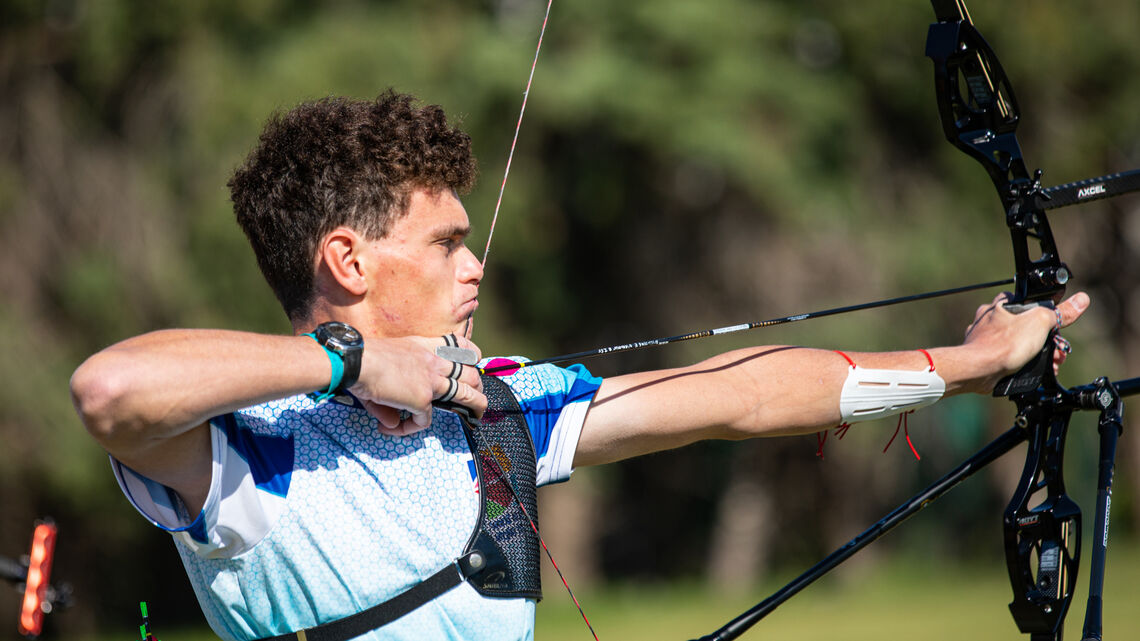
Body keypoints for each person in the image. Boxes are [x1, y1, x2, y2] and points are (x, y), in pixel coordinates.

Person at [69, 90, 1088, 641]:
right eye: (443, 243)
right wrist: (350, 366)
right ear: (347, 259)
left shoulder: (492, 409)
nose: (475, 267)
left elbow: (735, 394)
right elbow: (109, 390)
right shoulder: (256, 453)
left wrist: (967, 361)